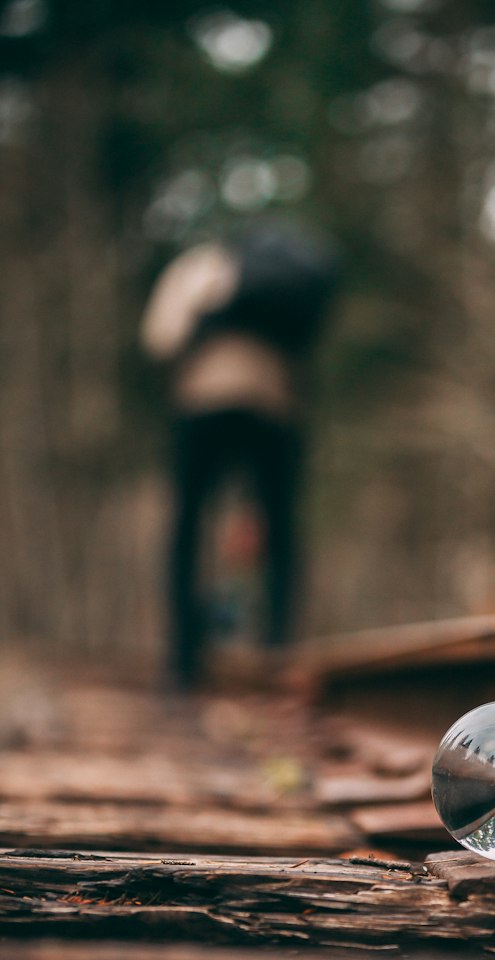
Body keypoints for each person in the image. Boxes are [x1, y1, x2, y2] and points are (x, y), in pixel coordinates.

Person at [141, 223, 338, 688]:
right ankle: (279, 645)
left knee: (188, 524)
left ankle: (183, 657)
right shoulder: (291, 275)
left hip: (204, 400)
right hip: (274, 403)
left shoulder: (202, 265)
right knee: (280, 525)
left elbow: (161, 336)